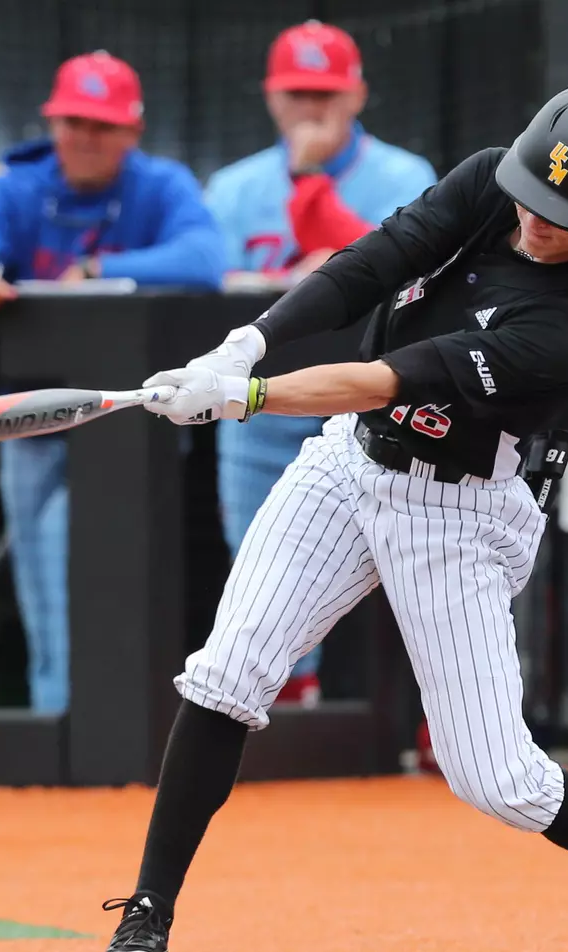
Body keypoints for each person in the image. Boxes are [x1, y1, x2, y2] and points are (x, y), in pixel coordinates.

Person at [94, 86, 568, 952]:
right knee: (227, 674)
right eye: (530, 192)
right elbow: (371, 264)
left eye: (561, 215)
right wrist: (247, 344)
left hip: (457, 515)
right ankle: (146, 917)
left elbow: (389, 377)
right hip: (348, 465)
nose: (532, 216)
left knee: (500, 780)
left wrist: (246, 398)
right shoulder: (493, 184)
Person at [0, 51, 223, 714]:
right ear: (53, 124)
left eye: (103, 125)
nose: (86, 138)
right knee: (39, 583)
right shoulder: (20, 184)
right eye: (74, 123)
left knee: (85, 561)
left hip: (129, 420)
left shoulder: (161, 184)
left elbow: (206, 258)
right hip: (32, 417)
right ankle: (55, 722)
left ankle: (101, 725)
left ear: (132, 131)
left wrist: (99, 270)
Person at [205, 21, 437, 709]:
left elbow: (405, 273)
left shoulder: (405, 177)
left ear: (357, 95)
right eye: (297, 93)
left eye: (326, 93)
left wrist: (309, 182)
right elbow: (201, 280)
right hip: (261, 408)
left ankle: (424, 726)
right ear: (271, 96)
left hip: (371, 404)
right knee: (261, 576)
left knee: (414, 573)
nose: (311, 108)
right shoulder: (234, 187)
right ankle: (281, 716)